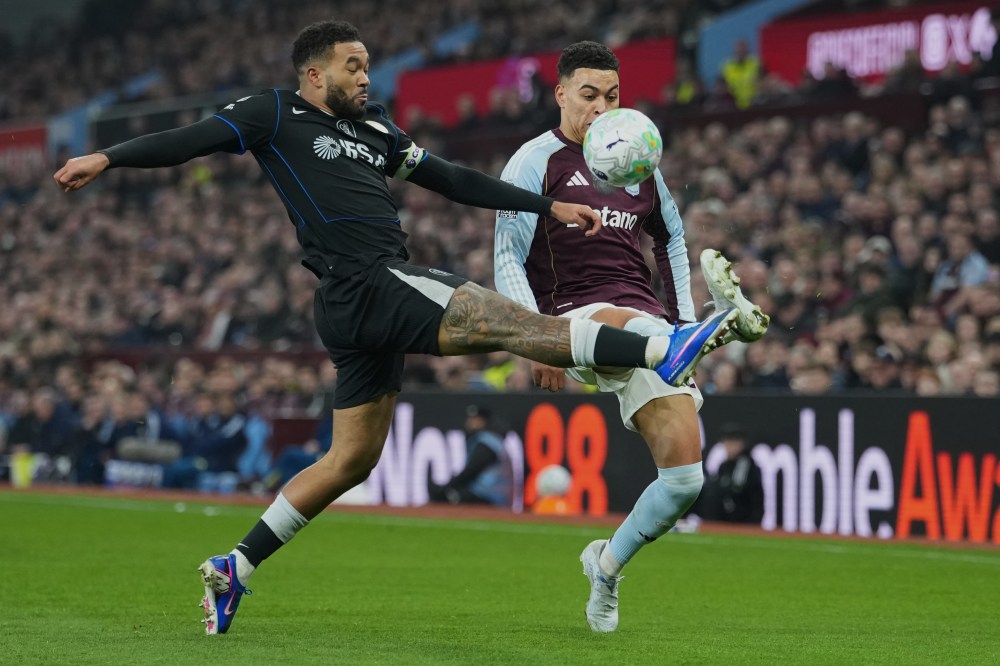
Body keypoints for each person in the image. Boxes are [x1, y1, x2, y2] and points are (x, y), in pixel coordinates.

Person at [54, 21, 740, 635]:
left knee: (351, 459)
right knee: (509, 321)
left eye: (367, 66)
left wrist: (546, 207)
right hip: (368, 279)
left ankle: (235, 564)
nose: (365, 76)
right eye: (354, 66)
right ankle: (663, 344)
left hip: (356, 308)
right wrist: (108, 158)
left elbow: (451, 179)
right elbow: (191, 140)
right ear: (316, 73)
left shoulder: (376, 130)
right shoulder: (273, 111)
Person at [493, 41, 770, 633]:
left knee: (684, 481)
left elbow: (670, 240)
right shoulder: (533, 161)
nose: (601, 107)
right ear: (561, 93)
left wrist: (679, 316)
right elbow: (507, 257)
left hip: (646, 321)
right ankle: (688, 340)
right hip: (572, 320)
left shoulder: (638, 156)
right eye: (589, 95)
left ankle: (608, 566)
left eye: (612, 96)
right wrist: (534, 339)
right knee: (619, 325)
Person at [428, 404, 512, 507]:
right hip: (486, 493)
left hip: (490, 496)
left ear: (484, 421)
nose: (472, 422)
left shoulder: (487, 442)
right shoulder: (485, 439)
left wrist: (449, 486)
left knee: (443, 495)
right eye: (471, 419)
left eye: (476, 419)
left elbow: (472, 470)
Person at [696, 423, 763, 524]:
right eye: (727, 443)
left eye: (733, 443)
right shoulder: (724, 466)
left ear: (741, 444)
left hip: (743, 519)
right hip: (727, 515)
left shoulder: (745, 463)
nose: (729, 447)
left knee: (714, 494)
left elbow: (737, 487)